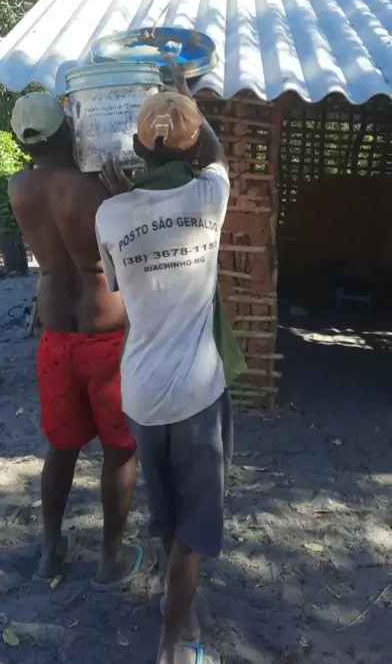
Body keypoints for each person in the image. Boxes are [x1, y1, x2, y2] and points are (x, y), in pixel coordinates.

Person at [96, 63, 244, 664]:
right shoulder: (211, 195)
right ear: (191, 148)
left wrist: (127, 205)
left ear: (137, 148)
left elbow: (120, 283)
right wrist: (186, 98)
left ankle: (176, 602)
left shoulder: (110, 214)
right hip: (197, 396)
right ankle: (172, 646)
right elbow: (216, 154)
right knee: (194, 531)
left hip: (140, 394)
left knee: (166, 514)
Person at [8, 90, 152, 587]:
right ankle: (111, 559)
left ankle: (51, 550)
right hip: (106, 337)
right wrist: (127, 195)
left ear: (22, 142)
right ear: (69, 130)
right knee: (120, 449)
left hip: (55, 337)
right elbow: (138, 238)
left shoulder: (18, 187)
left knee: (61, 446)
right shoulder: (96, 185)